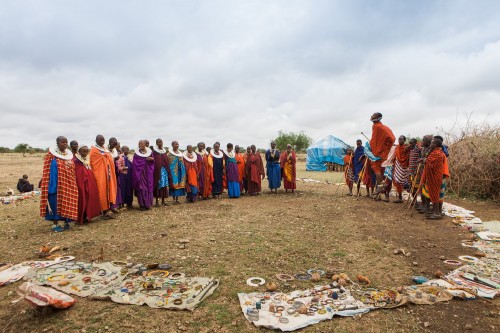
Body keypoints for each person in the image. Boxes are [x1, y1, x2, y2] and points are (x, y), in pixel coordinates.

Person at [39, 136, 78, 232]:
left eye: (66, 142)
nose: (65, 144)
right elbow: (47, 171)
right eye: (62, 142)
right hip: (54, 185)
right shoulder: (51, 156)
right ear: (57, 143)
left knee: (68, 201)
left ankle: (67, 221)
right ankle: (55, 224)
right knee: (55, 204)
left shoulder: (69, 155)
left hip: (68, 185)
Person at [420, 136, 449, 219]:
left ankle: (436, 214)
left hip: (436, 177)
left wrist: (424, 160)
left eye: (432, 143)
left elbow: (431, 163)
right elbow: (429, 161)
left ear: (436, 144)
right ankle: (437, 212)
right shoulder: (434, 152)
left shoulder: (438, 153)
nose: (431, 144)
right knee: (434, 195)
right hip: (433, 176)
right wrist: (424, 160)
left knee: (435, 195)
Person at [90, 135, 117, 219]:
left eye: (103, 140)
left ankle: (108, 210)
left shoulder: (105, 150)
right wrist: (105, 157)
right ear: (96, 140)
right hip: (100, 174)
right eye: (100, 140)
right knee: (102, 191)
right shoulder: (94, 150)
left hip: (108, 174)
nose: (102, 142)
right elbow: (94, 163)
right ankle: (103, 211)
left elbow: (110, 159)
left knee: (109, 190)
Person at [73, 145, 101, 224]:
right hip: (80, 184)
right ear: (79, 152)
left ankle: (86, 216)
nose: (85, 153)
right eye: (83, 151)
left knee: (89, 199)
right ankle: (79, 218)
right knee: (81, 200)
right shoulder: (76, 161)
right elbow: (77, 174)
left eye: (87, 151)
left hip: (89, 183)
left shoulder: (87, 161)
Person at [369, 113, 395, 186]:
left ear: (378, 117)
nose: (371, 116)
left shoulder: (381, 127)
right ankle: (381, 185)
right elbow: (375, 140)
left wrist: (384, 149)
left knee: (376, 169)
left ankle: (381, 186)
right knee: (376, 168)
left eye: (374, 115)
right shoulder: (375, 126)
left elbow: (392, 138)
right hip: (375, 152)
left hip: (378, 153)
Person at [132, 140, 155, 210]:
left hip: (148, 173)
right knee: (142, 188)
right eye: (139, 144)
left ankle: (148, 204)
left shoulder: (149, 152)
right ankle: (142, 205)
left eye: (141, 144)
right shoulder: (136, 154)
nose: (140, 145)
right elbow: (135, 163)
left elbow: (153, 161)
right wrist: (144, 160)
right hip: (140, 174)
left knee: (148, 188)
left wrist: (151, 159)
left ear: (145, 145)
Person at [416, 135, 433, 213]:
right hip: (422, 171)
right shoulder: (423, 149)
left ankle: (427, 206)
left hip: (429, 172)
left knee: (427, 189)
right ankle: (424, 205)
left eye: (424, 140)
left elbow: (431, 159)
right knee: (422, 188)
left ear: (428, 142)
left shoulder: (431, 149)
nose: (422, 141)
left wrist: (423, 159)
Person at [152, 138, 171, 206]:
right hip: (157, 171)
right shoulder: (154, 152)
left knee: (164, 186)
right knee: (158, 185)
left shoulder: (164, 152)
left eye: (161, 142)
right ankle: (157, 202)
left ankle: (163, 201)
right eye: (159, 142)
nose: (161, 143)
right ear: (156, 143)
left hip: (164, 171)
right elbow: (154, 162)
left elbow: (166, 161)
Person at [393, 135, 410, 203]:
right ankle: (400, 197)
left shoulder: (407, 147)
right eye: (399, 139)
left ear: (404, 140)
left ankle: (412, 199)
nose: (399, 141)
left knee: (403, 181)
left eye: (401, 139)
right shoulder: (397, 147)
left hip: (404, 167)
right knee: (397, 182)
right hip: (397, 166)